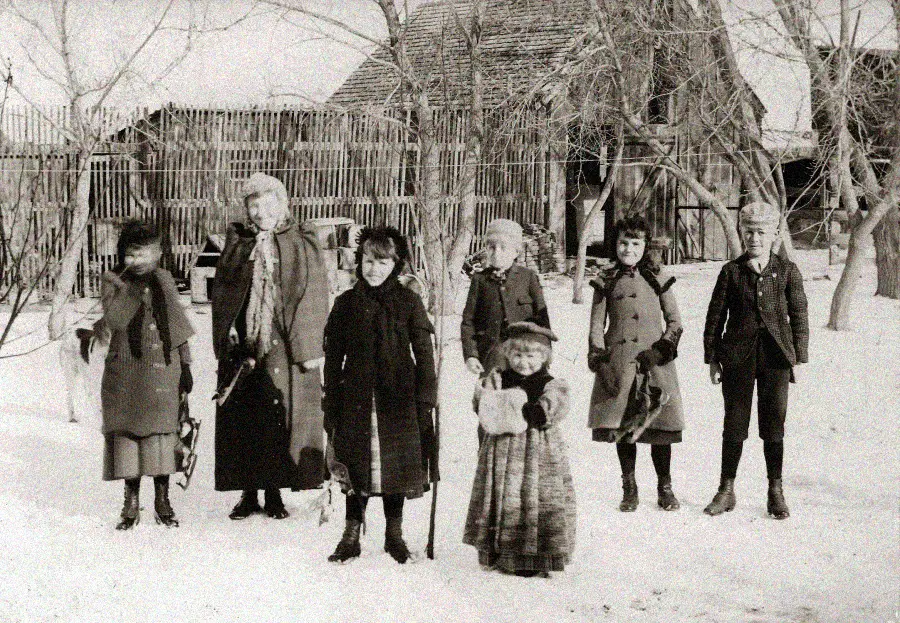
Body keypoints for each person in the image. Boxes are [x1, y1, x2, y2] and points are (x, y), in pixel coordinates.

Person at [211, 172, 330, 520]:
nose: (260, 212)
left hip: (283, 340)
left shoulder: (299, 241)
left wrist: (308, 347)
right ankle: (248, 492)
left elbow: (312, 293)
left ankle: (275, 491)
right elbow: (223, 293)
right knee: (245, 415)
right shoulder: (239, 243)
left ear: (282, 203)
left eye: (267, 203)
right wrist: (228, 330)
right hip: (245, 340)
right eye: (254, 205)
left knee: (279, 415)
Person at [323, 226, 438, 564]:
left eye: (383, 263)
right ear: (359, 262)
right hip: (355, 397)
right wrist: (331, 398)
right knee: (356, 465)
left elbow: (425, 354)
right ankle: (350, 535)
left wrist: (426, 397)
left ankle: (394, 534)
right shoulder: (345, 304)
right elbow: (333, 357)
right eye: (369, 261)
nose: (374, 269)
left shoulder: (408, 302)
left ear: (396, 265)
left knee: (394, 468)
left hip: (398, 398)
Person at [703, 201, 809, 519]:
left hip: (776, 359)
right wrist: (712, 357)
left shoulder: (787, 271)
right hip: (737, 359)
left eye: (761, 232)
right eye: (748, 232)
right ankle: (726, 490)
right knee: (734, 424)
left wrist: (798, 356)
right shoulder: (731, 272)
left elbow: (799, 314)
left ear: (774, 234)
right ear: (741, 232)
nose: (754, 239)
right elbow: (715, 317)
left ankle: (775, 491)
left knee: (774, 425)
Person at [95, 220, 194, 530]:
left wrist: (187, 365)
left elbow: (177, 325)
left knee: (162, 435)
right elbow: (115, 318)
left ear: (158, 253)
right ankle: (131, 500)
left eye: (146, 253)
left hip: (163, 370)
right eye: (131, 254)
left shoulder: (164, 279)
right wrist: (132, 288)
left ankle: (162, 500)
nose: (138, 261)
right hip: (126, 373)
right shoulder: (114, 281)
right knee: (129, 435)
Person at [587, 215, 685, 512]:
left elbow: (675, 321)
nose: (628, 249)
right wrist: (601, 362)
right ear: (615, 245)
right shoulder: (605, 279)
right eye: (623, 243)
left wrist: (660, 350)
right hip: (620, 363)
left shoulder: (657, 277)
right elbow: (595, 326)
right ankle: (629, 487)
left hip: (655, 364)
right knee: (625, 426)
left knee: (659, 426)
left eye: (635, 243)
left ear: (645, 245)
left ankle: (664, 487)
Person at [463, 321, 576, 577]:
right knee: (505, 495)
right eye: (517, 355)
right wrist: (492, 399)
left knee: (536, 496)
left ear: (544, 356)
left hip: (539, 450)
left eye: (531, 356)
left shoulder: (551, 383)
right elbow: (482, 402)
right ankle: (502, 553)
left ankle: (536, 557)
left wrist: (531, 409)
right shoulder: (498, 378)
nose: (523, 362)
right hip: (502, 450)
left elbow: (553, 408)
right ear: (508, 354)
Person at [461, 218, 551, 377]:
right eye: (491, 247)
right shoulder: (480, 280)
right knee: (492, 398)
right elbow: (468, 321)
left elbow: (542, 320)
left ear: (516, 252)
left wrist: (545, 352)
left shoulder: (528, 277)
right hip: (492, 356)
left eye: (503, 248)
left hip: (526, 356)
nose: (496, 253)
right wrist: (471, 355)